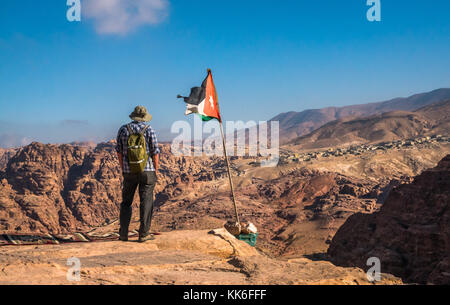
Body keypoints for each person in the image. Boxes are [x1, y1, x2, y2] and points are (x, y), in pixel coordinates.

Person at [115, 106, 160, 242]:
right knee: (146, 201)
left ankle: (123, 234)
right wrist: (156, 170)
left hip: (129, 172)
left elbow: (118, 150)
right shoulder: (149, 129)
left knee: (126, 202)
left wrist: (123, 167)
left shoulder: (123, 129)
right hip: (147, 171)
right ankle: (144, 234)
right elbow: (155, 151)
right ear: (144, 117)